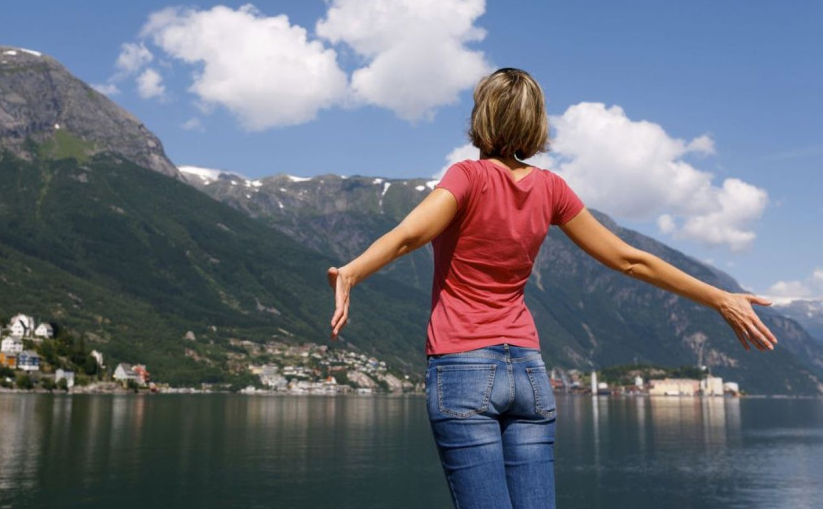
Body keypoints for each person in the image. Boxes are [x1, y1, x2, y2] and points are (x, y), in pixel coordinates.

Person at [326, 68, 777, 509]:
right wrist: (719, 297)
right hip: (528, 372)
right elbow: (630, 260)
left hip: (463, 366)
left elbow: (409, 235)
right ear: (534, 122)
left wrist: (352, 272)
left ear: (482, 117)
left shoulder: (467, 177)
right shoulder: (552, 189)